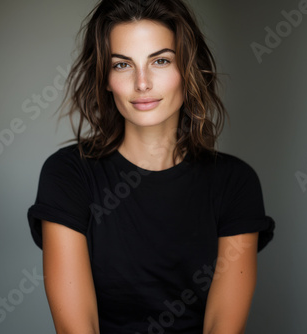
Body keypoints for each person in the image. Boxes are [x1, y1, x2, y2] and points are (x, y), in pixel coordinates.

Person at [27, 0, 275, 333]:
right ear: (105, 78)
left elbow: (222, 327)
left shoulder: (234, 183)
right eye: (122, 65)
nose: (142, 83)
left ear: (187, 70)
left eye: (160, 61)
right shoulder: (69, 175)